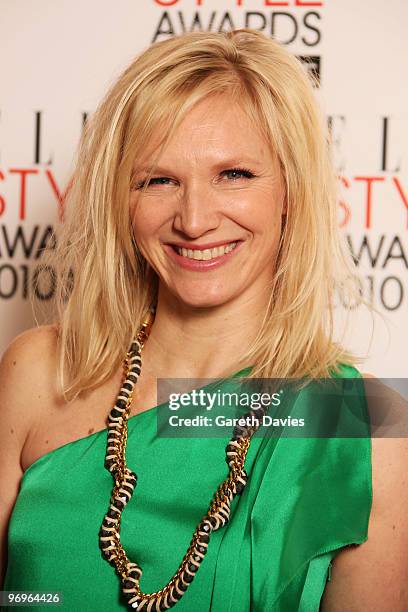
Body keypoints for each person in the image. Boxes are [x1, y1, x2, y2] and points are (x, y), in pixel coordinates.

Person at [0, 28, 407, 612]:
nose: (193, 219)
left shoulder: (361, 429)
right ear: (120, 197)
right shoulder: (37, 372)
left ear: (290, 191)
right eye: (158, 180)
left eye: (234, 175)